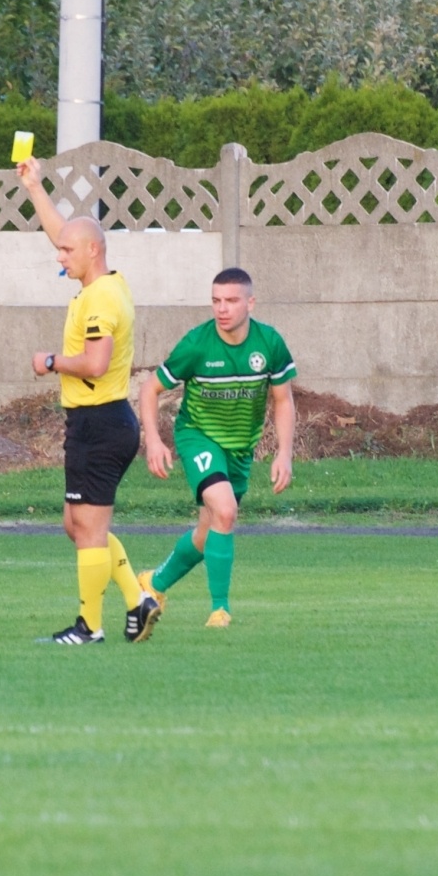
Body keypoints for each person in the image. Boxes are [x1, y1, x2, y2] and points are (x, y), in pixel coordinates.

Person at [15, 156, 162, 645]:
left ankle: (89, 627)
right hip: (97, 422)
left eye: (67, 252)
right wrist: (35, 187)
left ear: (92, 251)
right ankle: (138, 600)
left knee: (89, 529)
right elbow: (67, 232)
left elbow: (96, 363)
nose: (59, 257)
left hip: (100, 422)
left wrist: (51, 361)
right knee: (77, 525)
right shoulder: (104, 280)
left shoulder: (99, 300)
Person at [137, 268, 296, 628]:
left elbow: (283, 400)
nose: (222, 309)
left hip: (240, 450)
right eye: (216, 301)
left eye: (231, 300)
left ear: (250, 302)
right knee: (225, 511)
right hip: (198, 436)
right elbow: (150, 389)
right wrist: (154, 441)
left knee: (208, 531)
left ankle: (153, 583)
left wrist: (284, 452)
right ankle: (219, 610)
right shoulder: (197, 344)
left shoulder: (269, 343)